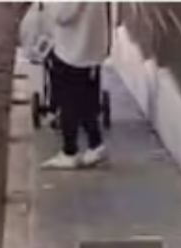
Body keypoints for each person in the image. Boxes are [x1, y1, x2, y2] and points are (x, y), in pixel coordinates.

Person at [41, 2, 110, 169]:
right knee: (86, 101)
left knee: (68, 101)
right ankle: (95, 145)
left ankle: (69, 152)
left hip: (73, 49)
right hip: (90, 46)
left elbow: (63, 14)